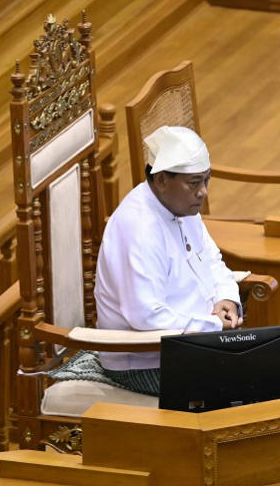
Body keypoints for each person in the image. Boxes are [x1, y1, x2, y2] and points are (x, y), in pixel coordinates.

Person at [94, 125, 243, 395]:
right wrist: (211, 325)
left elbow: (212, 261)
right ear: (162, 180)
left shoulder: (182, 207)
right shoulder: (139, 228)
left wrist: (226, 298)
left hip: (196, 344)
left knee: (272, 368)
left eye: (206, 181)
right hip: (147, 362)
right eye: (194, 183)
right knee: (248, 389)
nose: (203, 192)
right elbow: (146, 315)